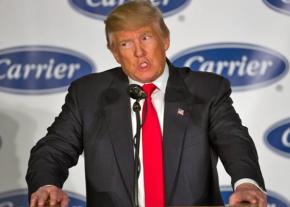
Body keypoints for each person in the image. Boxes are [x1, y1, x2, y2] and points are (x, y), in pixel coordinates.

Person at [26, 1, 267, 207]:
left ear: (165, 40)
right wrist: (48, 184)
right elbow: (53, 149)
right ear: (114, 53)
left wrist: (246, 183)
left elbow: (233, 140)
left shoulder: (206, 90)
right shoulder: (88, 94)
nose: (139, 52)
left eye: (145, 37)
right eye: (125, 44)